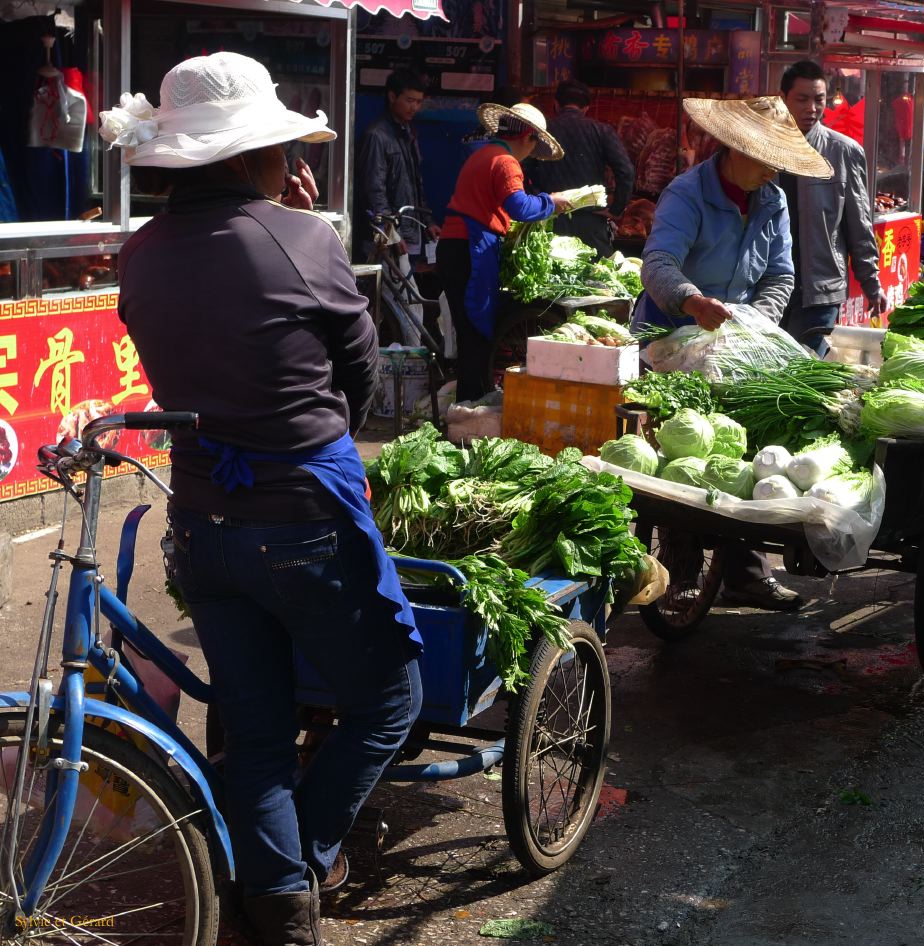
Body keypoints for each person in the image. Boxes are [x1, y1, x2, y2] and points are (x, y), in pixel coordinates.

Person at [100, 52, 423, 945]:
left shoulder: (140, 252)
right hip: (303, 521)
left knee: (255, 727)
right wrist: (299, 224)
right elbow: (360, 381)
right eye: (281, 148)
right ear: (251, 156)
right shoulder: (304, 239)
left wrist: (287, 218)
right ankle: (298, 867)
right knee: (389, 703)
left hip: (202, 523)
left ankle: (277, 905)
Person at [633, 95, 832, 611]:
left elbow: (780, 274)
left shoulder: (772, 200)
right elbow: (657, 263)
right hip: (671, 339)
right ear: (735, 149)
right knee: (684, 454)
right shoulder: (687, 193)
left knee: (744, 447)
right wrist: (692, 301)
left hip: (736, 344)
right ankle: (680, 572)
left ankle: (746, 573)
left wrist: (754, 322)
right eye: (766, 160)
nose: (773, 172)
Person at [438, 102, 571, 403]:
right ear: (527, 138)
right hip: (470, 247)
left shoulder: (482, 154)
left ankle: (469, 404)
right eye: (534, 144)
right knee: (476, 333)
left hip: (457, 246)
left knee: (470, 333)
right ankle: (471, 406)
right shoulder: (506, 162)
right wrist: (551, 203)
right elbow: (519, 207)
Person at [777, 59, 886, 356]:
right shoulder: (765, 148)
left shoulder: (843, 152)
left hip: (821, 290)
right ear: (783, 98)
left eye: (819, 100)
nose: (811, 108)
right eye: (802, 99)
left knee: (807, 367)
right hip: (770, 288)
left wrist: (871, 282)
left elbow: (859, 223)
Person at [526, 79, 634, 257]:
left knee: (548, 272)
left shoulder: (542, 132)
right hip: (591, 222)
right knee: (596, 273)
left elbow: (523, 170)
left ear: (556, 105)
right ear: (586, 108)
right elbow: (626, 171)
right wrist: (616, 209)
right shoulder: (601, 131)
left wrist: (539, 202)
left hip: (550, 220)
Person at [355, 68, 439, 264]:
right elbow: (374, 189)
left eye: (418, 102)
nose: (414, 107)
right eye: (409, 100)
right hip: (386, 239)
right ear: (392, 96)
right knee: (388, 282)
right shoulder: (376, 135)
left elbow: (415, 185)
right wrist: (389, 233)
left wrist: (427, 223)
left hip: (409, 232)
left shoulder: (409, 132)